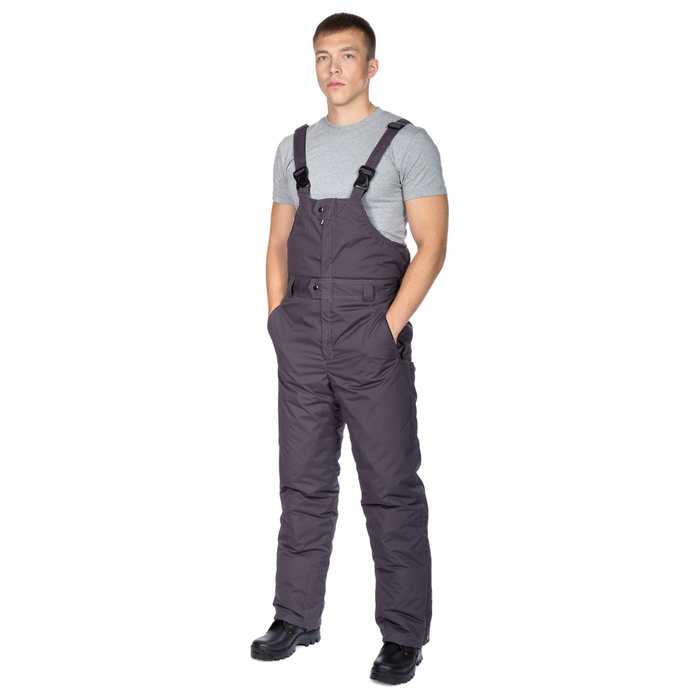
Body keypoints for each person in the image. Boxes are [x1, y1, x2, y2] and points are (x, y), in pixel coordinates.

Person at [251, 13, 449, 685]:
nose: (333, 68)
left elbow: (433, 247)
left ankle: (403, 635)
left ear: (371, 66)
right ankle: (295, 615)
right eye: (322, 57)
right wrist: (277, 322)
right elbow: (277, 243)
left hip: (371, 335)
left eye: (346, 56)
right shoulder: (294, 147)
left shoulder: (407, 142)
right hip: (302, 335)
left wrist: (387, 327)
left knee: (390, 488)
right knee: (303, 483)